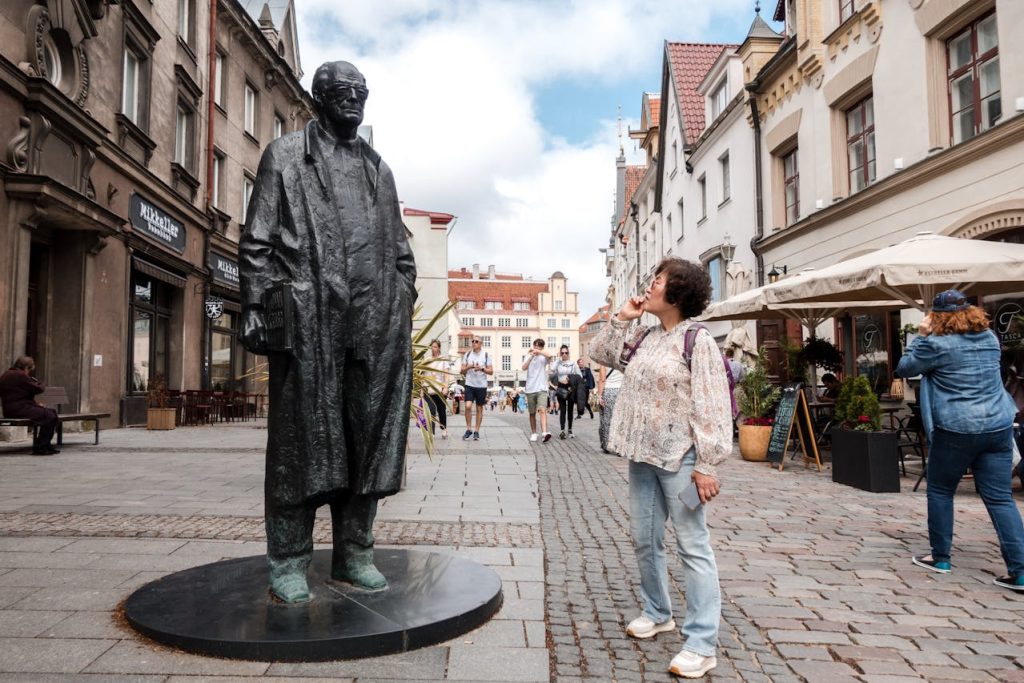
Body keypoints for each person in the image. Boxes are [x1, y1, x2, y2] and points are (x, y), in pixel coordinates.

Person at [238, 61, 416, 603]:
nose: (354, 101)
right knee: (301, 446)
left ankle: (354, 554)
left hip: (373, 328)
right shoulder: (287, 156)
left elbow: (401, 252)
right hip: (310, 326)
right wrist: (261, 307)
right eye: (342, 93)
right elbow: (257, 242)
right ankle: (289, 559)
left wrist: (399, 299)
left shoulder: (377, 170)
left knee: (368, 446)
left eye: (361, 92)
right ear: (318, 99)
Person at [590, 257, 732, 679]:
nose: (649, 286)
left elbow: (712, 403)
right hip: (642, 455)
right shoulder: (646, 337)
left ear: (678, 293)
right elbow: (601, 353)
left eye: (658, 281)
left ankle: (702, 642)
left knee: (693, 546)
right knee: (643, 539)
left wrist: (707, 463)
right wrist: (622, 317)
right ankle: (657, 611)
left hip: (680, 459)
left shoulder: (697, 341)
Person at [895, 290, 1024, 592]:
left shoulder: (934, 344)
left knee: (940, 490)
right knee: (1000, 498)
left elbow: (904, 368)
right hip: (996, 425)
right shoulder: (990, 339)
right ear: (970, 312)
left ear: (937, 316)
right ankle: (1019, 571)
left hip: (957, 427)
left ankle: (940, 558)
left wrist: (921, 335)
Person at [0, 356, 59, 455]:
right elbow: (38, 389)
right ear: (26, 367)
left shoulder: (6, 374)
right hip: (19, 410)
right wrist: (41, 383)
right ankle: (41, 447)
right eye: (30, 370)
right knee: (49, 415)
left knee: (51, 412)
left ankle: (46, 445)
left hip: (11, 409)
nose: (29, 373)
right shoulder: (20, 375)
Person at [460, 337, 492, 440]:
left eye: (476, 341)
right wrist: (468, 367)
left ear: (481, 343)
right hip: (469, 384)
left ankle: (476, 431)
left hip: (481, 385)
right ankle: (469, 429)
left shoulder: (486, 355)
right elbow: (461, 371)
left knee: (479, 408)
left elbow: (491, 371)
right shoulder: (467, 354)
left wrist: (481, 368)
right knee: (468, 406)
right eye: (472, 341)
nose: (474, 343)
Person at [523, 338, 553, 443]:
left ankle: (544, 433)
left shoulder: (543, 357)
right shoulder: (528, 355)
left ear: (542, 347)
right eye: (535, 345)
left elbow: (550, 356)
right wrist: (531, 356)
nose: (536, 347)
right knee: (532, 413)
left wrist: (539, 352)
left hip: (541, 388)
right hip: (530, 388)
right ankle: (534, 433)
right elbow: (523, 367)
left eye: (539, 346)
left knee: (542, 410)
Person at [551, 345, 582, 439]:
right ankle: (562, 430)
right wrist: (557, 358)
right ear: (560, 353)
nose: (564, 354)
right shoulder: (558, 363)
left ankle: (570, 430)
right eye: (562, 353)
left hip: (570, 387)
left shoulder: (573, 364)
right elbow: (552, 370)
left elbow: (579, 376)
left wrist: (570, 378)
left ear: (569, 353)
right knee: (563, 410)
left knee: (570, 410)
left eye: (566, 352)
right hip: (561, 387)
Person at [423, 340, 448, 440]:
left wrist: (445, 387)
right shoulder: (427, 360)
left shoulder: (443, 360)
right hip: (428, 389)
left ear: (439, 348)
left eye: (435, 347)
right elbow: (423, 376)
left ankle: (444, 429)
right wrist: (422, 389)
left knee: (441, 410)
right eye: (432, 347)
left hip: (439, 389)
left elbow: (446, 375)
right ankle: (431, 432)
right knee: (431, 410)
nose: (433, 349)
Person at [597, 365, 623, 454]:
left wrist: (599, 396)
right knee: (620, 420)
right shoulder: (622, 360)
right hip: (622, 391)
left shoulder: (604, 363)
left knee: (607, 419)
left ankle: (606, 445)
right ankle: (620, 447)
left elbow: (602, 379)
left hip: (609, 391)